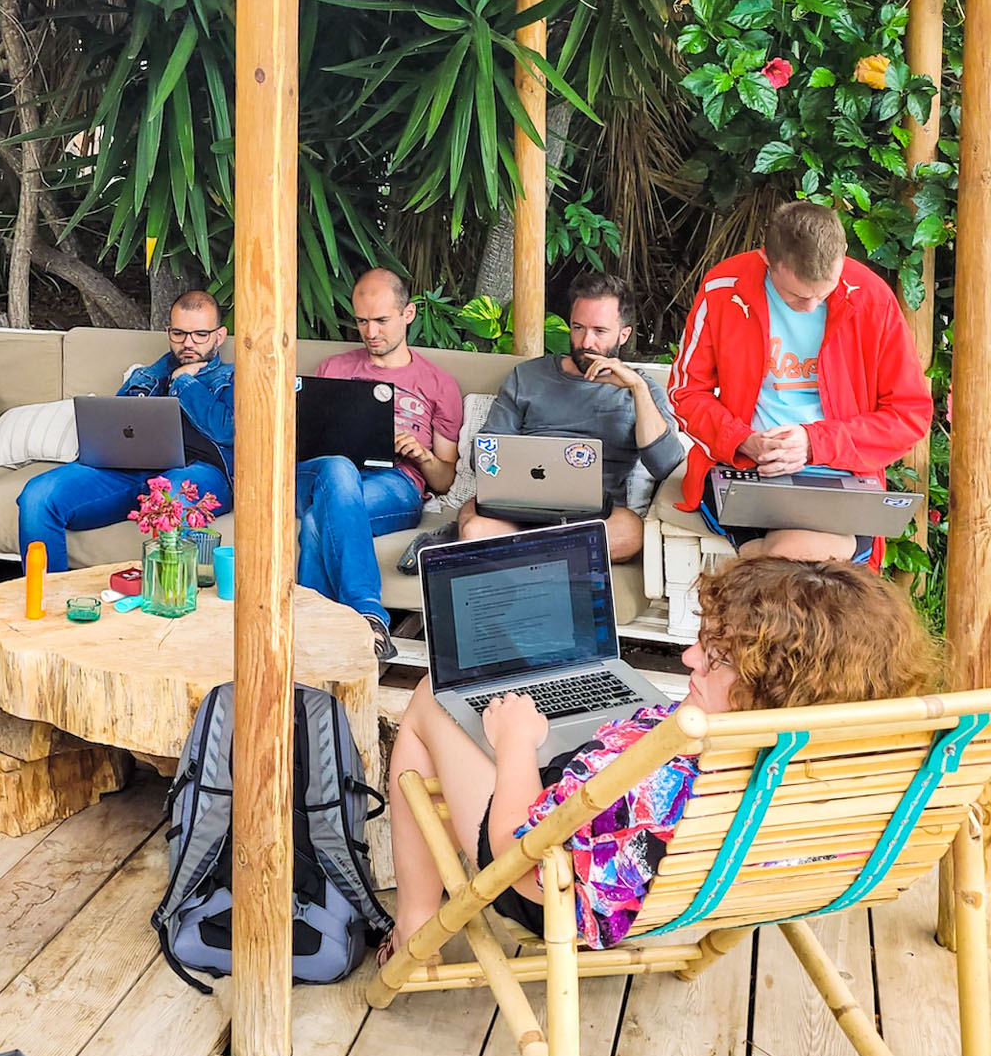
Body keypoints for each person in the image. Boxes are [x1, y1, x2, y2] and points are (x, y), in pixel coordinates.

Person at [383, 556, 937, 956]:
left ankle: (416, 925)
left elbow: (518, 859)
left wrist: (515, 746)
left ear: (776, 687)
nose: (690, 656)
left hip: (546, 884)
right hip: (699, 886)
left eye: (717, 657)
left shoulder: (662, 783)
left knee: (434, 695)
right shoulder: (853, 759)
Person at [669, 200, 933, 564]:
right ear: (767, 259)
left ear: (842, 256)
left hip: (844, 472)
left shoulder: (871, 297)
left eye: (824, 295)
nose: (812, 307)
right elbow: (686, 392)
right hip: (746, 468)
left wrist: (813, 443)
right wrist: (742, 440)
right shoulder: (724, 287)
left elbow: (910, 414)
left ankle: (751, 570)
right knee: (804, 562)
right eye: (796, 296)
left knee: (792, 556)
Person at [456, 273, 682, 563]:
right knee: (475, 528)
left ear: (623, 335)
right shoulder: (527, 376)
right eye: (578, 328)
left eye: (600, 331)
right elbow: (483, 458)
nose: (586, 341)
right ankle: (557, 557)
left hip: (591, 516)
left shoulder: (642, 389)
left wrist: (637, 389)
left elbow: (666, 465)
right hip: (519, 507)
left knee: (630, 533)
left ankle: (515, 555)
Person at [301, 270, 460, 662]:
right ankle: (368, 617)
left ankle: (310, 628)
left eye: (381, 320)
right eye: (361, 321)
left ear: (408, 314)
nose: (370, 332)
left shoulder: (437, 384)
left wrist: (421, 455)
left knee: (315, 522)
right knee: (337, 468)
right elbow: (305, 448)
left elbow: (443, 481)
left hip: (394, 484)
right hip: (326, 474)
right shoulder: (333, 370)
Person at [16, 290, 234, 571]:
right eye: (179, 334)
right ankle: (48, 605)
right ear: (168, 332)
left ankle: (166, 606)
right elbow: (114, 430)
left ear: (219, 335)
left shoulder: (231, 378)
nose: (188, 343)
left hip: (199, 473)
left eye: (199, 335)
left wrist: (184, 384)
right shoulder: (145, 376)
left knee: (171, 499)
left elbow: (226, 430)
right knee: (38, 496)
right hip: (131, 471)